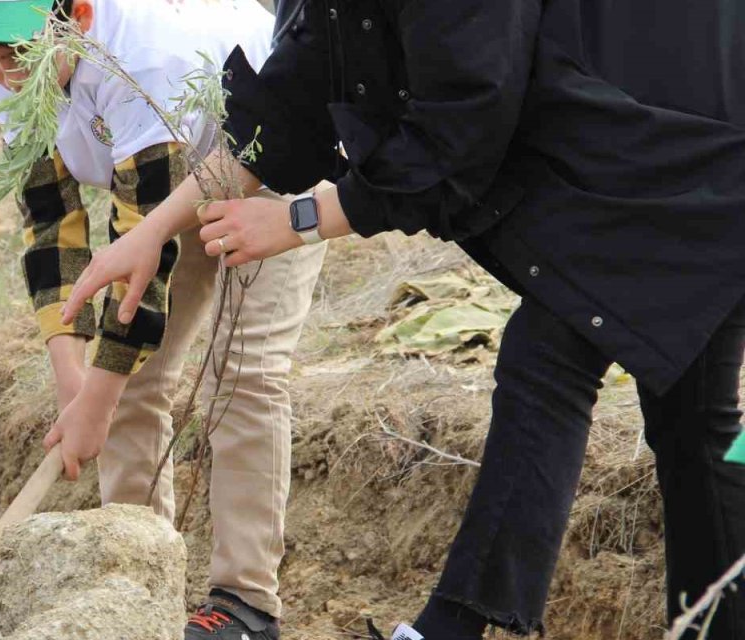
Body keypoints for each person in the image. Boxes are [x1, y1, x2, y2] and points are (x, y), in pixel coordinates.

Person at [62, 0, 745, 638]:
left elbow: (459, 136)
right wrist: (153, 231)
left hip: (686, 140)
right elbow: (286, 109)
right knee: (686, 417)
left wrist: (301, 219)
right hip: (663, 148)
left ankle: (453, 625)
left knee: (558, 361)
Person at [0, 1, 325, 637]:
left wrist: (96, 401)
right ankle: (133, 579)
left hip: (271, 172)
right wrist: (71, 373)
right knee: (128, 380)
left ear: (80, 16)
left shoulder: (145, 58)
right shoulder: (8, 62)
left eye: (20, 58)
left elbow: (145, 254)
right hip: (163, 198)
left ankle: (244, 603)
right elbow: (50, 226)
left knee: (242, 374)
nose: (7, 76)